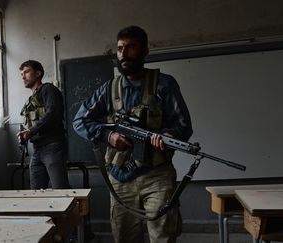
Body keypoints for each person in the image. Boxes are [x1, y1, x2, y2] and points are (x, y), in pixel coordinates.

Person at [72, 26, 193, 243]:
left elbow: (183, 125)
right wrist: (108, 137)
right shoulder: (109, 89)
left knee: (163, 237)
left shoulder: (164, 84)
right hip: (120, 177)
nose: (124, 54)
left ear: (145, 51)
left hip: (157, 176)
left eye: (131, 47)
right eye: (120, 49)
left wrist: (167, 135)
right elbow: (79, 121)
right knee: (124, 238)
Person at [18, 60, 70, 189]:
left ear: (38, 73)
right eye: (21, 74)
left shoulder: (48, 89)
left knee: (60, 190)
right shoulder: (31, 100)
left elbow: (53, 113)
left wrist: (32, 131)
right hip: (37, 149)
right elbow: (35, 122)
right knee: (36, 193)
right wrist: (25, 134)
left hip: (52, 146)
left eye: (27, 72)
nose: (23, 76)